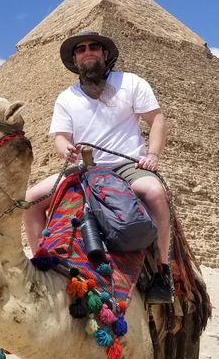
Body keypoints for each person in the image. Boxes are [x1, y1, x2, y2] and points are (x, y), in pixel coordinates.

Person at [24, 30, 173, 303]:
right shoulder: (66, 98)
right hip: (85, 169)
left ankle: (163, 273)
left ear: (105, 54)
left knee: (156, 193)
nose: (87, 51)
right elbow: (60, 136)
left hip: (126, 166)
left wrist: (152, 155)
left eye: (94, 47)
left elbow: (158, 120)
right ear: (75, 59)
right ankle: (40, 264)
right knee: (32, 199)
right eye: (80, 49)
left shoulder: (131, 83)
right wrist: (65, 150)